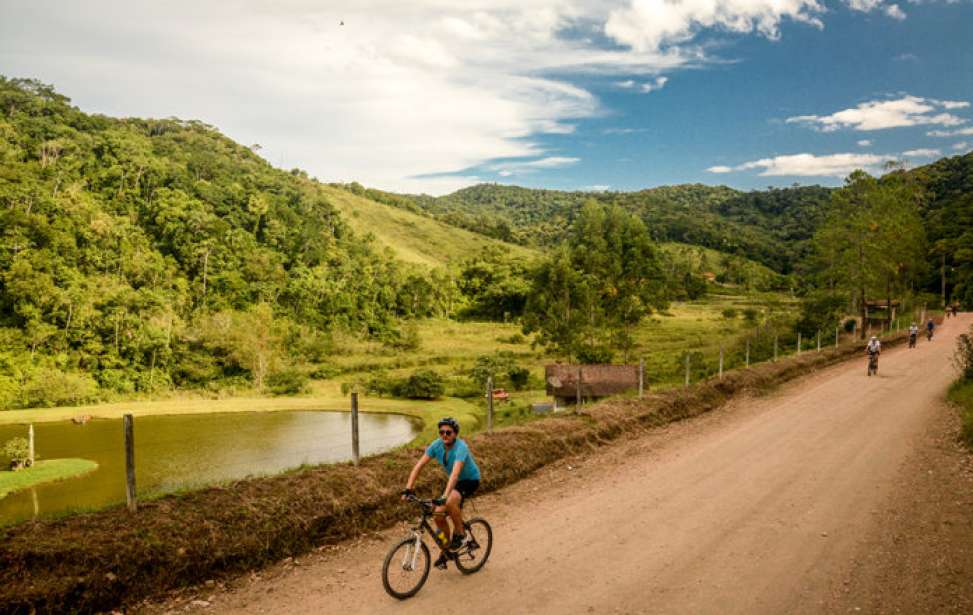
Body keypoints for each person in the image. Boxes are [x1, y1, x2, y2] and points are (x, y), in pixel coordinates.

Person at [402, 417, 481, 569]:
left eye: (448, 432)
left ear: (455, 433)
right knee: (438, 515)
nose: (444, 435)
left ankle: (461, 534)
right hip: (455, 482)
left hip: (470, 480)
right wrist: (408, 488)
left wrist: (445, 496)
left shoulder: (461, 447)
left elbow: (455, 474)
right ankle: (446, 552)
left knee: (450, 501)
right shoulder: (436, 445)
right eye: (441, 432)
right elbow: (419, 466)